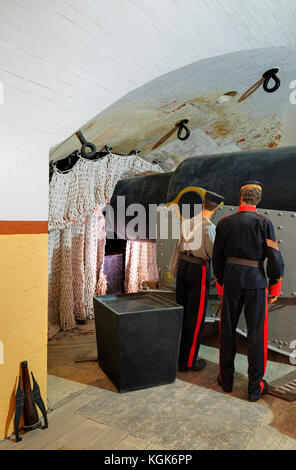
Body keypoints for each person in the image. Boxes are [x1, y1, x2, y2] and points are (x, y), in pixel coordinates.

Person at [212, 181, 284, 402]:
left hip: (231, 281)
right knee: (256, 335)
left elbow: (217, 258)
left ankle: (226, 380)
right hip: (256, 283)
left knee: (226, 331)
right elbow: (274, 257)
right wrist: (275, 285)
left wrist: (221, 283)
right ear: (258, 200)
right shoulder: (265, 223)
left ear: (240, 197)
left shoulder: (224, 223)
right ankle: (254, 387)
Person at [170, 190, 224, 372]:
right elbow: (214, 254)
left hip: (184, 267)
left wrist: (174, 270)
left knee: (182, 312)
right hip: (198, 270)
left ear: (202, 205)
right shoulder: (209, 228)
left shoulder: (187, 223)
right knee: (196, 316)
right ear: (215, 210)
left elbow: (177, 248)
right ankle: (188, 361)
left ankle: (177, 357)